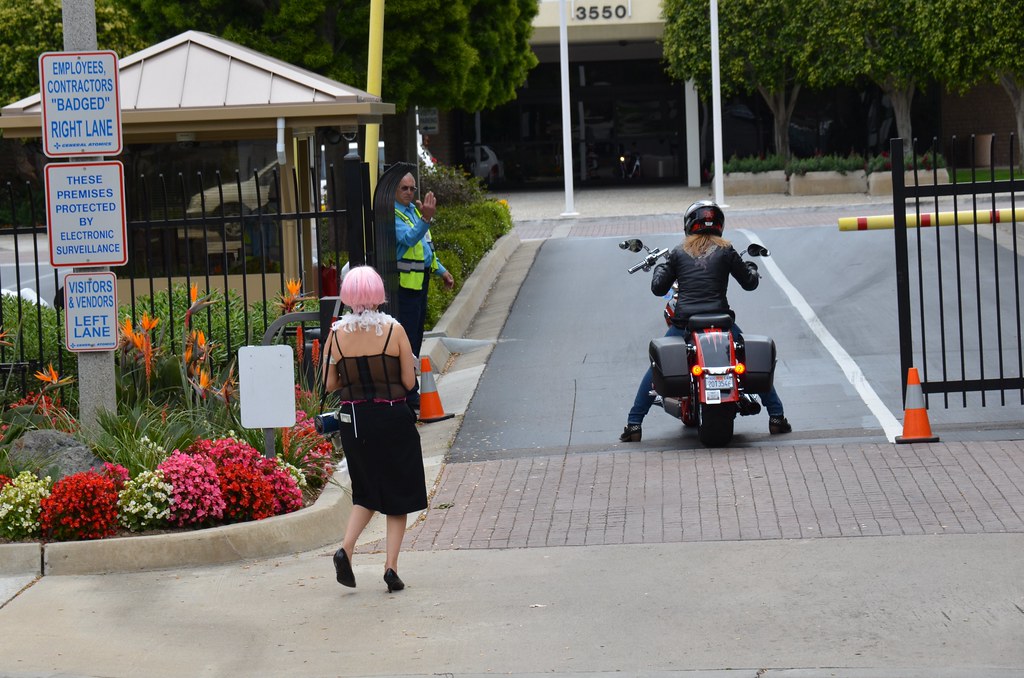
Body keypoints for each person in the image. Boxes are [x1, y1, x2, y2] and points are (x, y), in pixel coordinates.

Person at [619, 200, 792, 442]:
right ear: (719, 225)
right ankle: (776, 417)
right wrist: (751, 271)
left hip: (684, 324)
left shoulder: (678, 252)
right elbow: (749, 283)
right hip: (722, 322)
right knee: (748, 358)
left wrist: (660, 270)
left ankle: (634, 424)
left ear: (689, 225)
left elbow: (659, 288)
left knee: (656, 368)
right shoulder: (727, 250)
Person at [322, 265, 427, 592]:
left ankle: (346, 549)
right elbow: (409, 382)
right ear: (378, 293)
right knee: (399, 494)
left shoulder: (337, 334)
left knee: (365, 492)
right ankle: (391, 567)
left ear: (349, 295)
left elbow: (329, 383)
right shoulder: (394, 330)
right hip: (392, 417)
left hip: (356, 422)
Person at [394, 172, 455, 409]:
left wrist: (441, 271)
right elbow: (409, 239)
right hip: (405, 287)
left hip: (420, 284)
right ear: (395, 191)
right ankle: (409, 393)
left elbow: (426, 248)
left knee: (416, 338)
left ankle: (410, 390)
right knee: (407, 341)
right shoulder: (395, 214)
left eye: (412, 188)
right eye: (404, 188)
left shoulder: (412, 212)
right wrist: (425, 219)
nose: (409, 192)